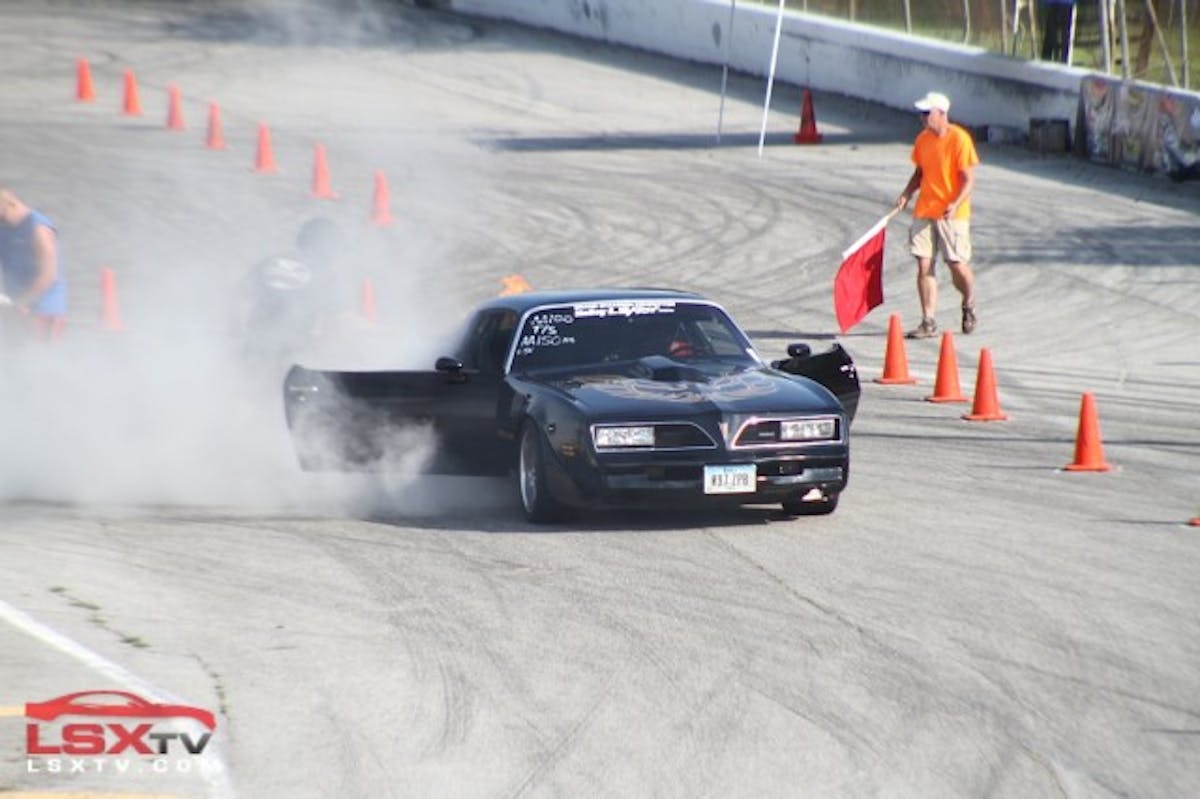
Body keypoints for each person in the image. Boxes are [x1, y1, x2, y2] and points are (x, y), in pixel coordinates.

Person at [895, 91, 979, 339]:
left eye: (927, 113)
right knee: (923, 264)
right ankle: (928, 320)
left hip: (951, 214)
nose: (923, 118)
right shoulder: (923, 140)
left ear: (942, 114)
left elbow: (968, 179)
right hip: (925, 209)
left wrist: (955, 203)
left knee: (956, 265)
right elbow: (920, 173)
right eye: (921, 114)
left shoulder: (959, 139)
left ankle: (969, 301)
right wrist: (906, 194)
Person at [237, 216, 357, 364]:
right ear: (331, 248)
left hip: (252, 347)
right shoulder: (327, 274)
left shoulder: (269, 261)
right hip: (293, 355)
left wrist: (238, 334)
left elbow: (241, 297)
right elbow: (341, 323)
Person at [0, 188, 68, 341]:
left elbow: (49, 276)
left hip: (44, 313)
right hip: (15, 311)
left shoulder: (38, 229)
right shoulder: (4, 229)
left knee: (40, 361)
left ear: (10, 204)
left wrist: (22, 302)